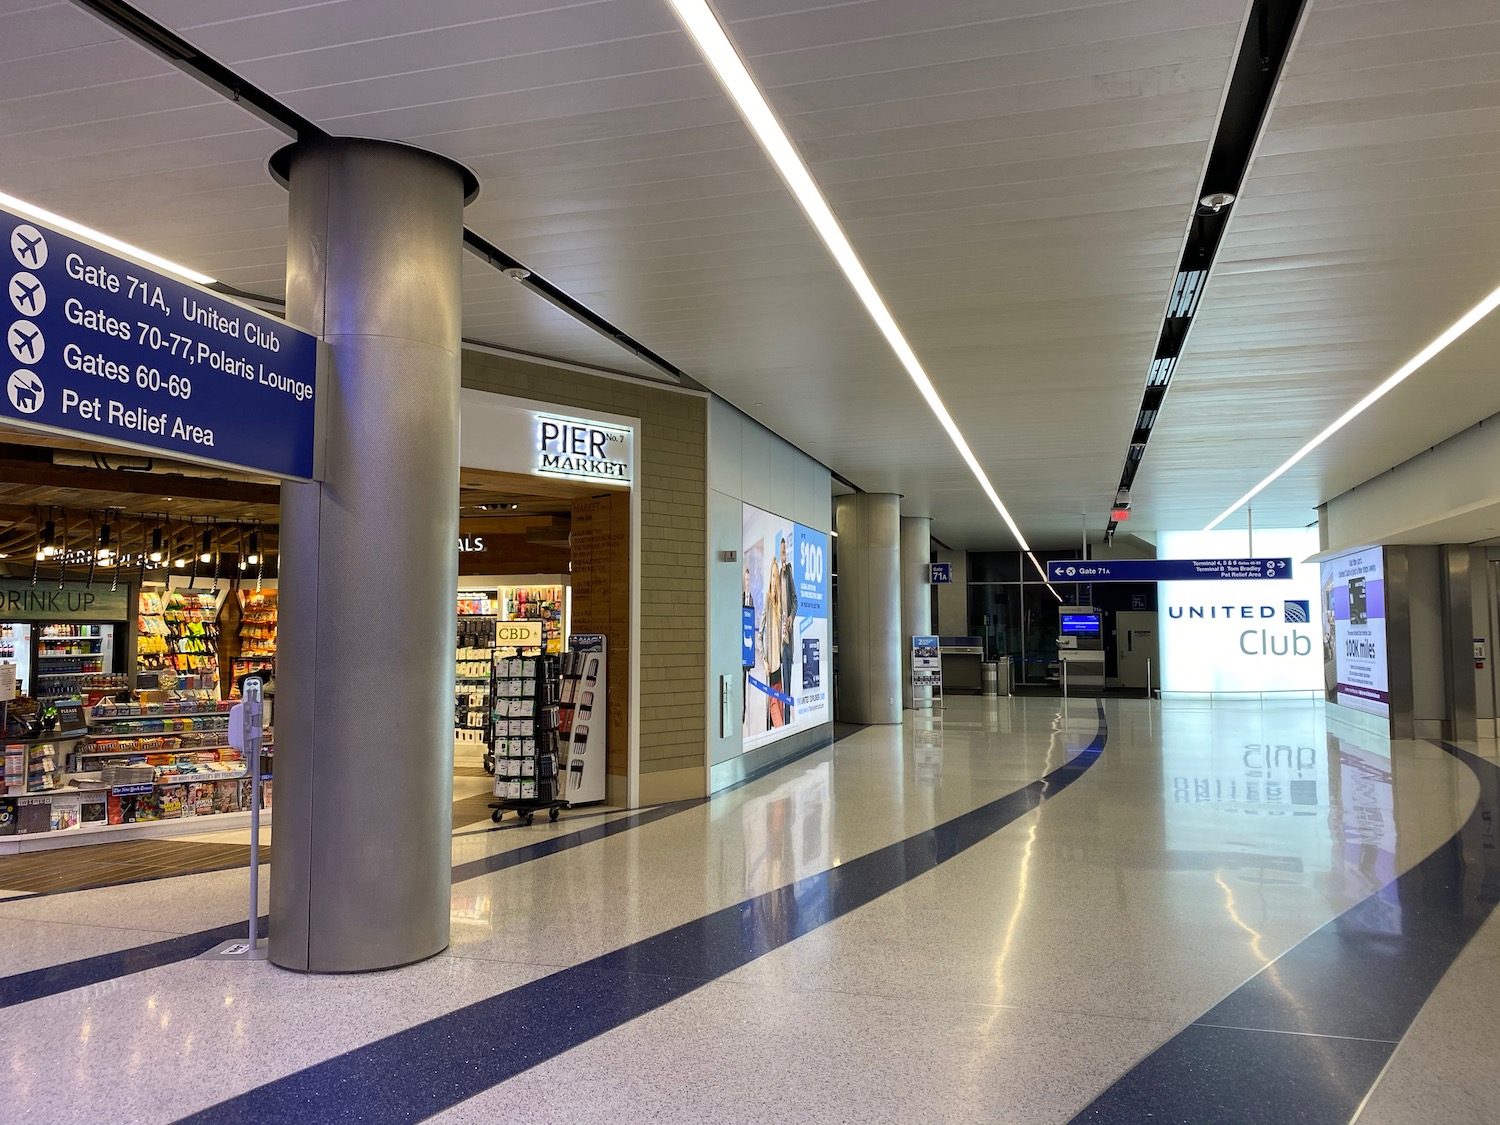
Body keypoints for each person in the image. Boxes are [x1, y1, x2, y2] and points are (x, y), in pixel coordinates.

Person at [779, 536, 798, 719]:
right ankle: (780, 717)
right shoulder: (777, 575)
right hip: (778, 635)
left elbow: (795, 601)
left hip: (788, 635)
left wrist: (791, 617)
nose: (783, 555)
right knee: (779, 677)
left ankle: (786, 718)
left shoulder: (789, 573)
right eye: (781, 552)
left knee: (788, 676)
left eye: (785, 552)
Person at [766, 551, 784, 727]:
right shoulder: (767, 599)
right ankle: (778, 728)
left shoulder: (779, 604)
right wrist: (764, 659)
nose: (773, 580)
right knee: (773, 700)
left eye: (775, 576)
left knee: (778, 698)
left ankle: (779, 730)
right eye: (771, 576)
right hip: (770, 662)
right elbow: (760, 632)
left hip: (779, 661)